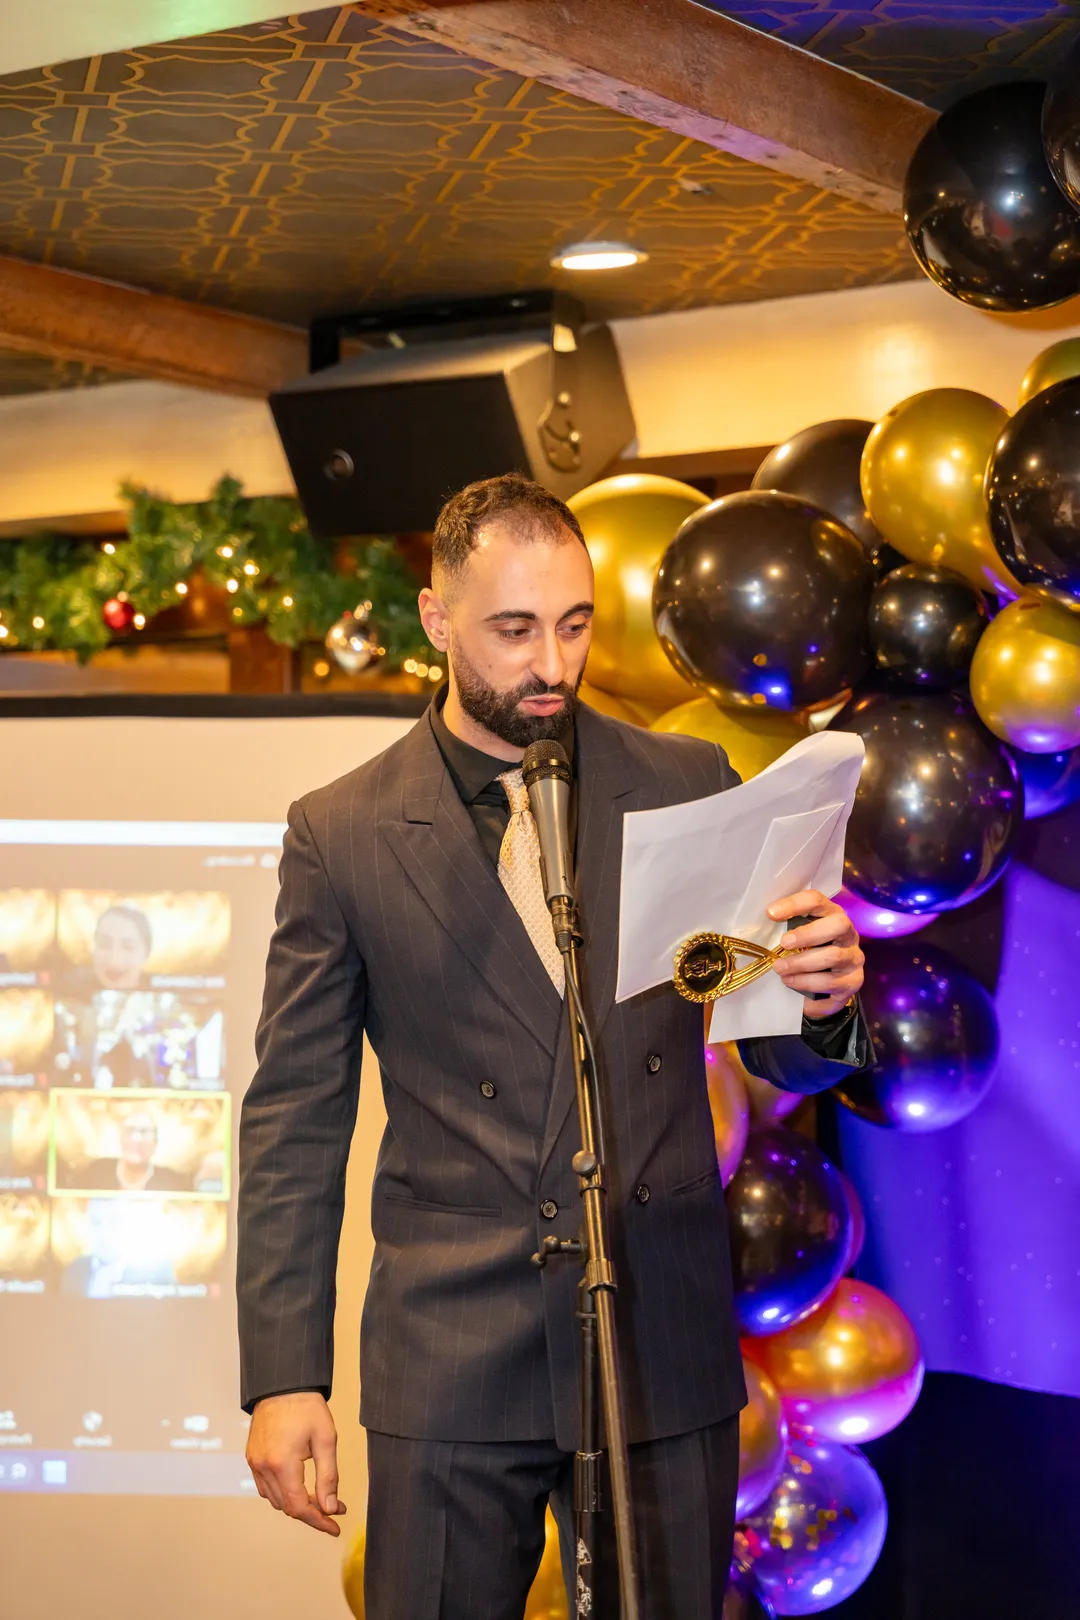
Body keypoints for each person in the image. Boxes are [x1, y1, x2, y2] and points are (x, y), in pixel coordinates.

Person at [237, 474, 870, 1619]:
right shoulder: (341, 834)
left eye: (574, 625)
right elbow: (294, 1117)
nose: (553, 664)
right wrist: (285, 1377)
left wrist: (820, 996)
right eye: (515, 629)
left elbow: (775, 1045)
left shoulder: (688, 784)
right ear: (438, 621)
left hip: (656, 1342)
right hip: (450, 1349)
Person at [74, 1108, 190, 1193]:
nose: (136, 1140)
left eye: (145, 1132)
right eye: (130, 1131)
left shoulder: (172, 1182)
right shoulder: (96, 1171)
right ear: (120, 1139)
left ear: (155, 1143)